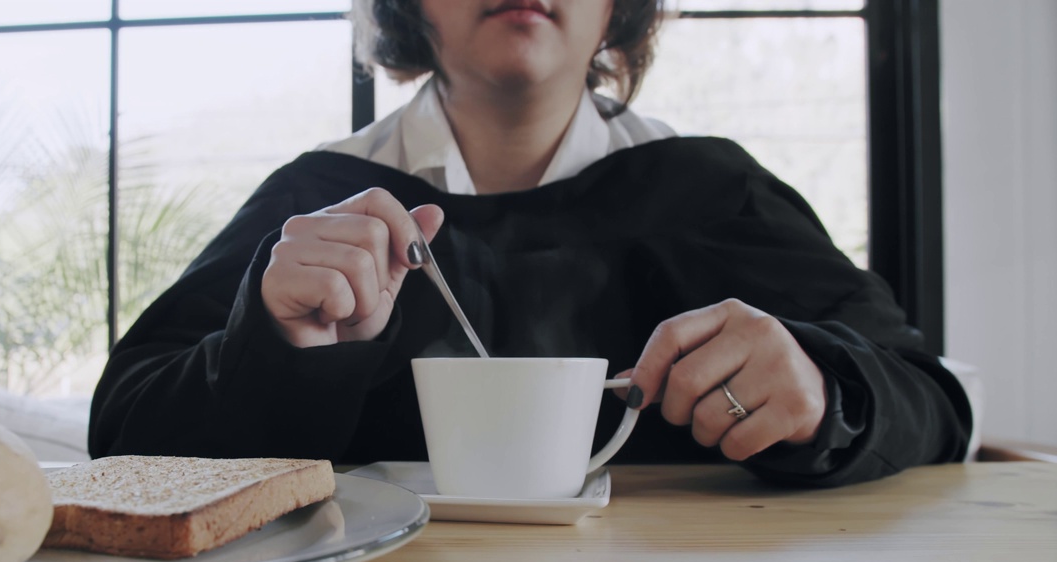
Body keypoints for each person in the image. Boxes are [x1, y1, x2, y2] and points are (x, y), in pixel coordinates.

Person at [88, 0, 973, 486]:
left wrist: (824, 390)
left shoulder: (714, 188)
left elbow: (928, 400)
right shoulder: (316, 197)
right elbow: (124, 439)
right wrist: (273, 345)